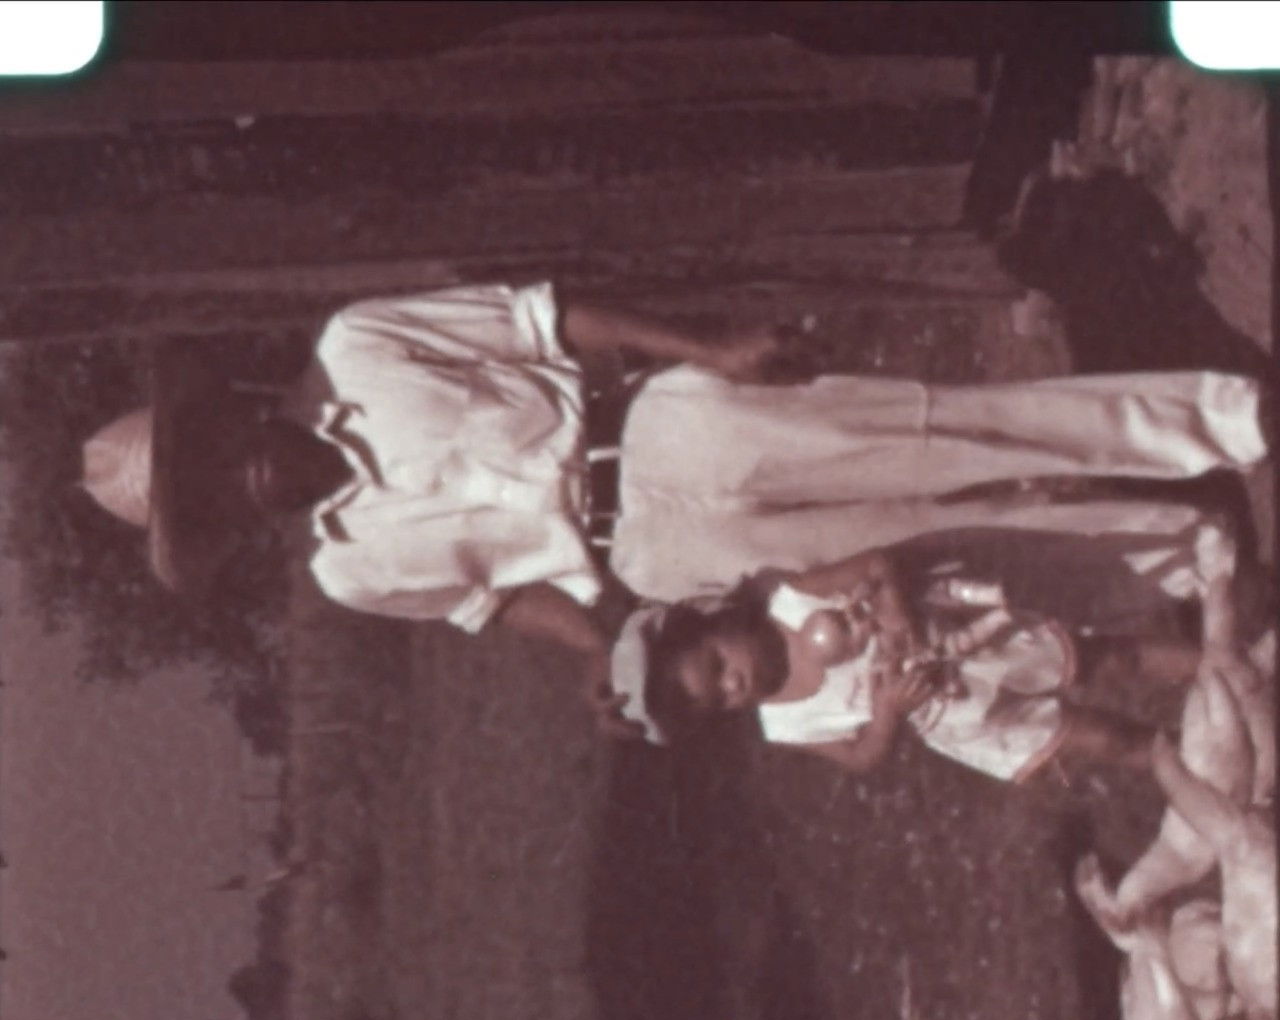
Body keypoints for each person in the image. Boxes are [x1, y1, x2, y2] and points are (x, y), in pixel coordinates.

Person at [80, 278, 1269, 734]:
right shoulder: (350, 570)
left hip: (665, 426)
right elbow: (497, 604)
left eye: (211, 452)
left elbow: (545, 320)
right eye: (208, 505)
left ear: (229, 409)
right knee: (940, 545)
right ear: (225, 535)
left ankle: (1219, 423)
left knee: (942, 429)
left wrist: (707, 345)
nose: (236, 481)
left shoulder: (357, 345)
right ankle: (1190, 549)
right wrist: (607, 654)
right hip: (659, 554)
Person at [606, 526, 1217, 783]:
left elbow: (877, 566)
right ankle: (1210, 768)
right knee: (1098, 739)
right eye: (721, 700)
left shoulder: (790, 600)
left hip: (972, 646)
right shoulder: (785, 723)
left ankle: (1227, 667)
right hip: (958, 714)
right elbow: (861, 758)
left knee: (1107, 659)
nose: (734, 685)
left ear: (713, 621)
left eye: (719, 666)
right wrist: (886, 716)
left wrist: (895, 614)